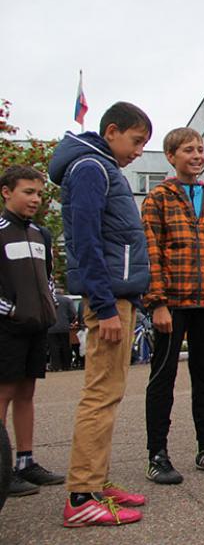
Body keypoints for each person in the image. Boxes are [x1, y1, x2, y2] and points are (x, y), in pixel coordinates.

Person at [50, 101, 153, 526]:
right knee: (100, 394)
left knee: (109, 393)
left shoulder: (100, 167)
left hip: (118, 295)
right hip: (107, 298)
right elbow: (87, 240)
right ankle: (80, 498)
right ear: (111, 131)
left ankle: (97, 480)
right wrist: (106, 304)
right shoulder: (91, 168)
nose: (138, 152)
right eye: (136, 141)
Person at [141, 127, 204, 485]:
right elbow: (151, 253)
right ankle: (157, 453)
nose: (196, 155)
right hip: (173, 303)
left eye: (200, 149)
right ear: (171, 157)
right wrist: (158, 303)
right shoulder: (158, 198)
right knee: (163, 376)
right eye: (188, 150)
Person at [0, 166, 65, 498]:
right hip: (7, 329)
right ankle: (2, 469)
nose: (35, 199)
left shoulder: (42, 234)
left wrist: (48, 306)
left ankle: (26, 462)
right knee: (4, 394)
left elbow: (49, 277)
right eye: (28, 192)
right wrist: (11, 310)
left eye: (39, 193)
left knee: (26, 394)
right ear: (7, 192)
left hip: (37, 326)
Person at [47, 292, 77, 372]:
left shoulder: (48, 299)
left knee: (53, 347)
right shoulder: (67, 300)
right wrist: (69, 321)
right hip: (64, 326)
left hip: (51, 327)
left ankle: (56, 366)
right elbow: (73, 313)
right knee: (66, 346)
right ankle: (66, 365)